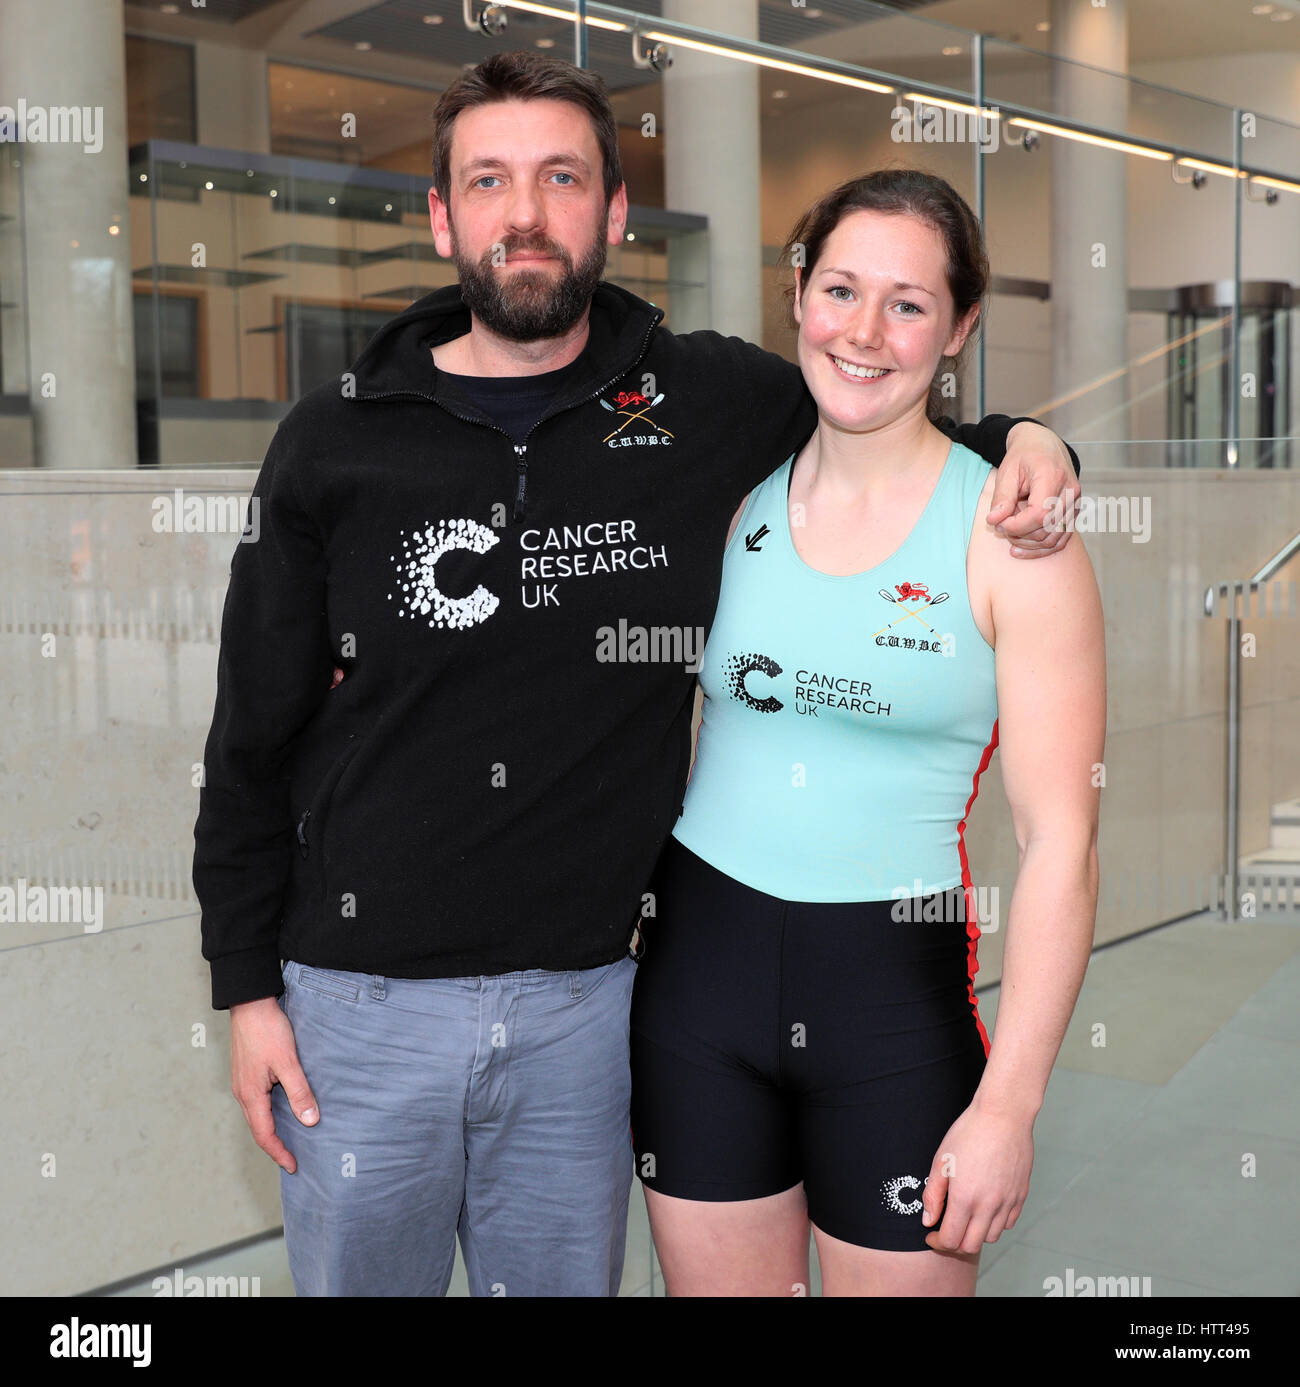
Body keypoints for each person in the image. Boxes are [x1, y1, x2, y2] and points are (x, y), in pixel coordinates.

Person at [192, 50, 1084, 1298]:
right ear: (441, 217)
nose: (524, 213)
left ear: (614, 211)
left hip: (586, 1008)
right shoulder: (332, 440)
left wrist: (1032, 441)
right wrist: (247, 988)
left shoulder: (703, 399)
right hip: (359, 1007)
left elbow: (878, 404)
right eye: (487, 181)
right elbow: (249, 736)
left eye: (561, 178)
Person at [628, 169, 1106, 1297]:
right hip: (696, 986)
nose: (864, 332)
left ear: (959, 328)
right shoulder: (725, 493)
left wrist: (1009, 1106)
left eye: (908, 304)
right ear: (798, 293)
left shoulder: (1013, 538)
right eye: (841, 289)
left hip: (890, 1006)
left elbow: (1062, 844)